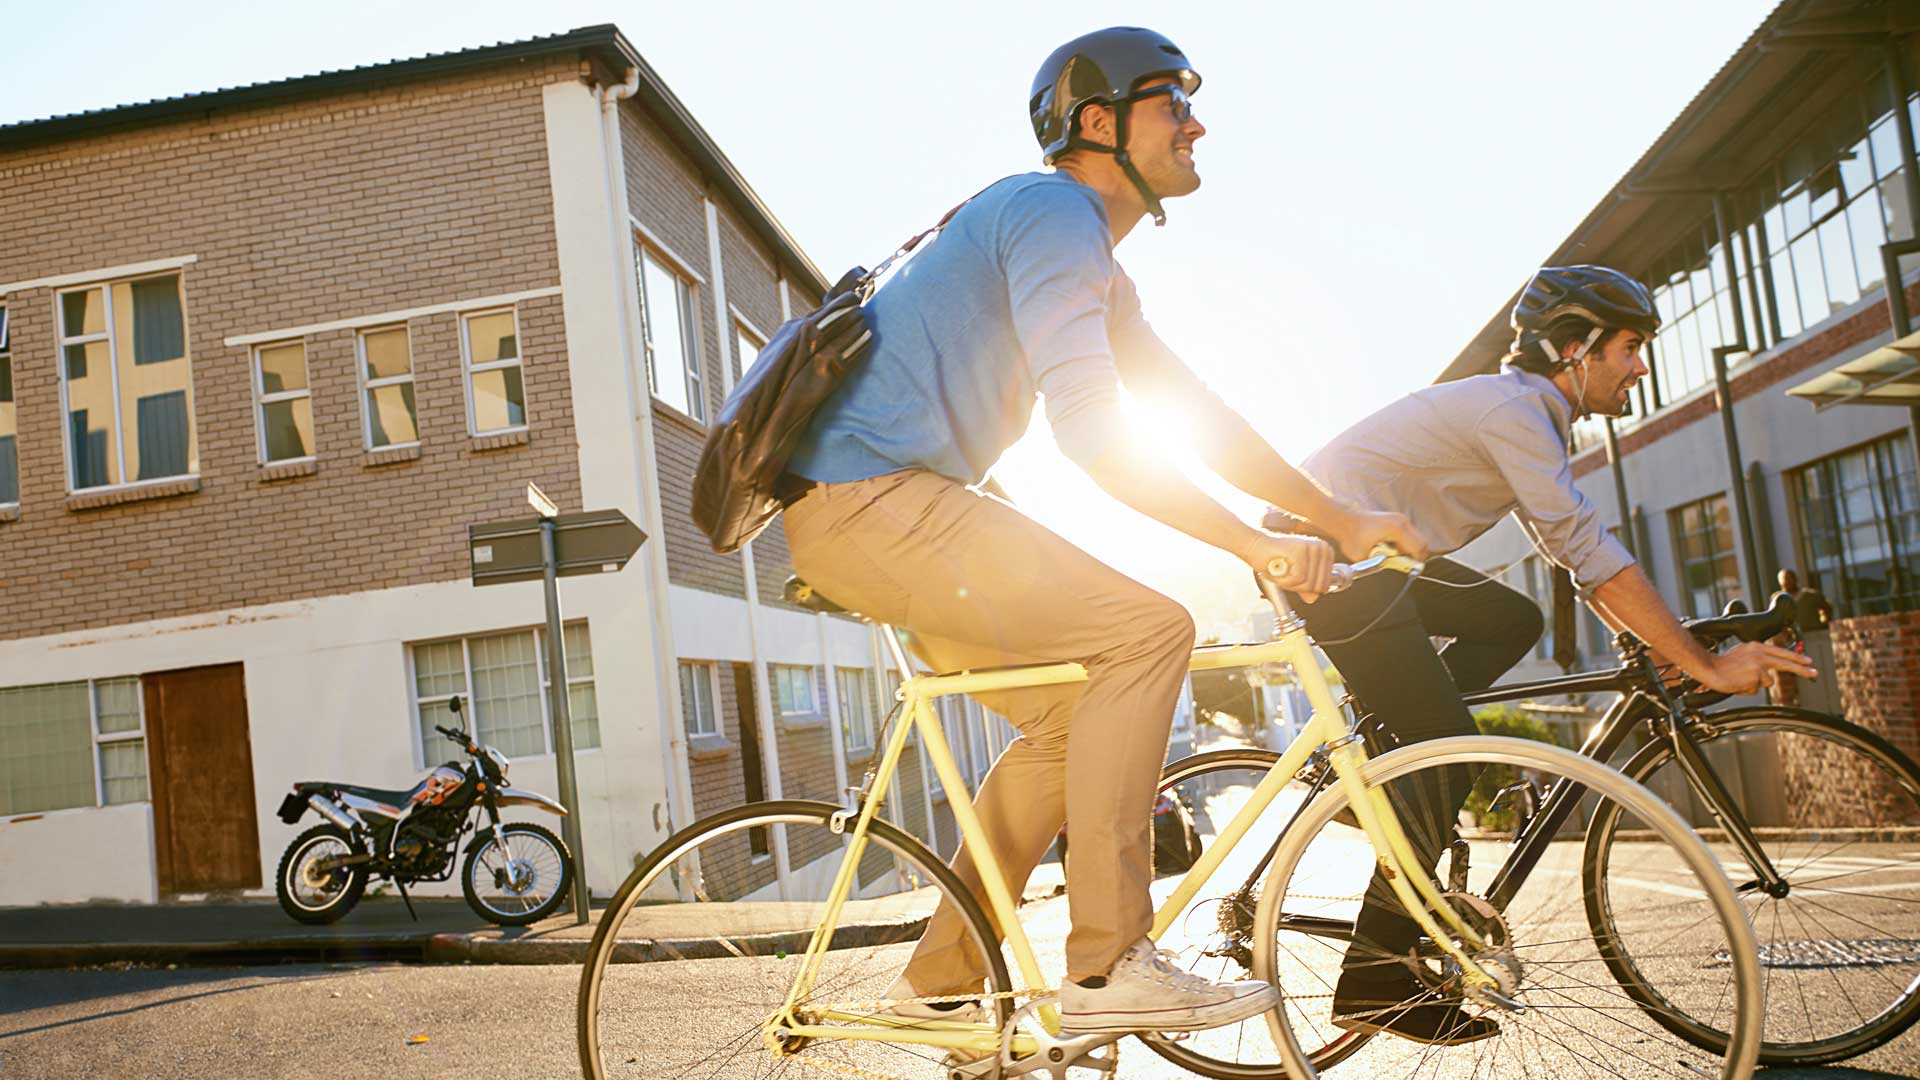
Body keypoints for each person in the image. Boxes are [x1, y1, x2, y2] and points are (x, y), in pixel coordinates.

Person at [777, 27, 1427, 1039]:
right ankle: (1108, 963)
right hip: (876, 502)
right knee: (1148, 631)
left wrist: (1337, 518)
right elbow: (1093, 435)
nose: (1198, 122)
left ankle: (938, 982)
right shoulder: (1051, 212)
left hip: (876, 512)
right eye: (1174, 101)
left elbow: (1189, 405)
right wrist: (1250, 547)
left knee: (1067, 718)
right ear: (1097, 123)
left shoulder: (1085, 257)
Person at [1282, 264, 1818, 1045]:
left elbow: (1577, 556)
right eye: (1631, 347)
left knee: (1510, 619)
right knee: (1448, 754)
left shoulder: (1529, 414)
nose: (1642, 366)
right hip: (1327, 561)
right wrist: (1702, 664)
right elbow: (1582, 547)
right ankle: (1372, 977)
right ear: (1576, 350)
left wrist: (1660, 639)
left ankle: (1397, 741)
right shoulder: (1513, 411)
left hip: (1377, 565)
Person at [1769, 568, 1832, 705]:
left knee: (1817, 670)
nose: (1787, 581)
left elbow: (1826, 608)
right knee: (1795, 674)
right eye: (1784, 579)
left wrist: (1823, 624)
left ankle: (1821, 702)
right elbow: (1773, 618)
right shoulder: (1777, 599)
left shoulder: (1810, 595)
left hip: (1813, 638)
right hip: (1789, 642)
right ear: (1780, 582)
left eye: (1790, 578)